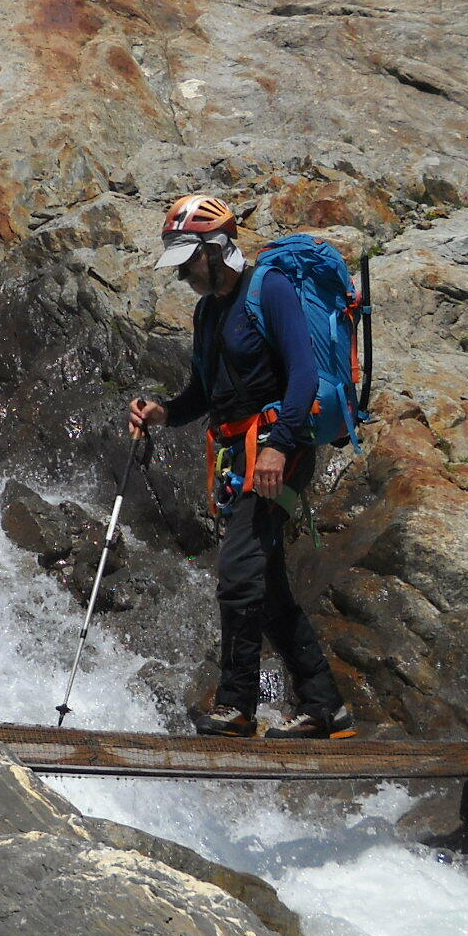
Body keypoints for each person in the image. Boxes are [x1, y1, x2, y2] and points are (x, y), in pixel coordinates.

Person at [128, 195, 356, 739]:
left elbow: (303, 376)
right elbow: (202, 395)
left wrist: (279, 447)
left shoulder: (268, 289)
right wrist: (163, 412)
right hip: (239, 458)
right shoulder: (207, 312)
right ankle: (326, 708)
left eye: (188, 261)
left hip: (279, 453)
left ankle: (236, 707)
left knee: (237, 575)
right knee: (267, 588)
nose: (182, 274)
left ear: (215, 249)